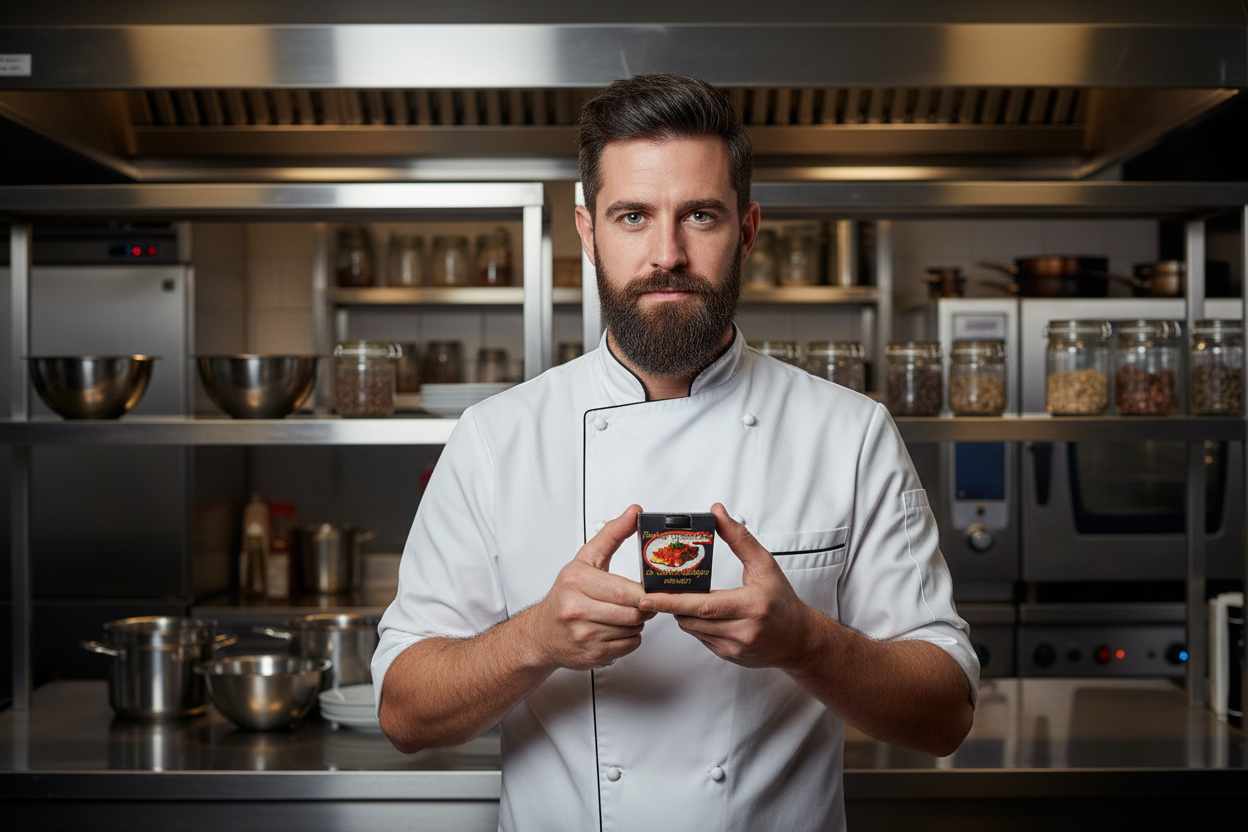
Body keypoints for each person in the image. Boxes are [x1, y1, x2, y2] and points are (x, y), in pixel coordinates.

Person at [373, 73, 978, 832]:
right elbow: (404, 710)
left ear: (747, 231)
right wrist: (534, 639)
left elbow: (946, 714)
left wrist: (807, 642)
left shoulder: (849, 432)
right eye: (633, 216)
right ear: (589, 233)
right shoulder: (498, 437)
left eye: (700, 215)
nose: (668, 253)